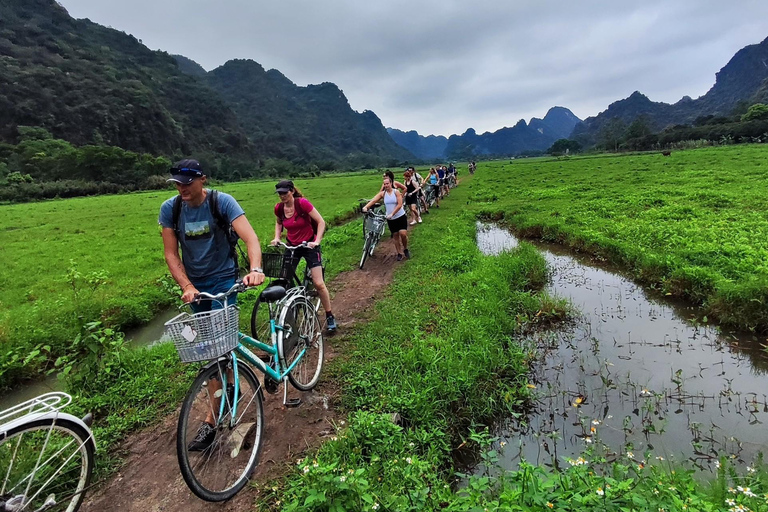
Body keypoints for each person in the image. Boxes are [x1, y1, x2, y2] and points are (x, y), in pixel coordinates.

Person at [159, 158, 265, 451]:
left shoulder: (222, 202)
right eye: (177, 183)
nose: (182, 188)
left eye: (187, 182)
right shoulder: (171, 209)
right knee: (209, 351)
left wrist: (255, 268)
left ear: (201, 179)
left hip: (223, 284)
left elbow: (250, 236)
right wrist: (187, 286)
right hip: (196, 289)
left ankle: (211, 419)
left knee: (220, 348)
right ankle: (229, 395)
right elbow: (171, 253)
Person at [271, 180, 337, 332]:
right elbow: (279, 223)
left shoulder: (302, 204)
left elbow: (321, 222)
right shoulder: (279, 209)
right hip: (291, 245)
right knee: (284, 279)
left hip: (309, 245)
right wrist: (277, 237)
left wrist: (317, 241)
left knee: (318, 283)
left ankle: (329, 315)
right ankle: (290, 312)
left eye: (285, 192)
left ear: (292, 191)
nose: (282, 196)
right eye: (279, 193)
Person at [362, 176, 409, 260]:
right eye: (384, 184)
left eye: (387, 183)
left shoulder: (396, 192)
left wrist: (392, 213)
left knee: (403, 234)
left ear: (391, 183)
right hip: (391, 219)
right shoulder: (383, 194)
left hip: (400, 216)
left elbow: (399, 204)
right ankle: (399, 253)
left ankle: (405, 248)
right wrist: (366, 207)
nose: (386, 185)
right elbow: (373, 200)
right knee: (395, 235)